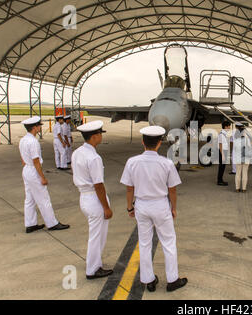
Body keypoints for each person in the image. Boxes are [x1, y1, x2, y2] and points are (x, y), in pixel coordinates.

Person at [120, 126, 187, 292]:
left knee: (144, 243)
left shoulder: (132, 162)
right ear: (159, 143)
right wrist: (174, 208)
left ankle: (148, 280)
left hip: (141, 205)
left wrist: (130, 207)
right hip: (160, 205)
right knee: (168, 242)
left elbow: (129, 188)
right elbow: (172, 189)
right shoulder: (167, 163)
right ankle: (172, 280)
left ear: (143, 142)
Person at [71, 120, 113, 280]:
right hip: (94, 200)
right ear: (94, 136)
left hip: (84, 196)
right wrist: (106, 207)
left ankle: (95, 264)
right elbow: (99, 185)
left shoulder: (77, 152)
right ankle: (93, 269)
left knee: (95, 234)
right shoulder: (94, 157)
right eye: (100, 134)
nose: (101, 137)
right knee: (97, 236)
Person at [19, 116, 70, 233]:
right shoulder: (33, 142)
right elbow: (36, 161)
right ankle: (52, 223)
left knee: (29, 199)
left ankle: (30, 224)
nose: (40, 128)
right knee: (44, 198)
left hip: (26, 169)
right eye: (39, 126)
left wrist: (28, 167)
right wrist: (42, 177)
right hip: (33, 170)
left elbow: (23, 159)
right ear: (34, 128)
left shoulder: (23, 140)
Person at [233, 123, 252, 192]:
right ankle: (244, 189)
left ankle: (237, 188)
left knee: (238, 173)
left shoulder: (236, 139)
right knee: (245, 173)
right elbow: (250, 148)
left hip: (238, 158)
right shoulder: (247, 139)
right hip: (246, 158)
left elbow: (235, 149)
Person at [217, 121, 230, 186]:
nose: (229, 127)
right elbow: (220, 145)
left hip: (224, 152)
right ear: (225, 126)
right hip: (222, 152)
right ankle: (219, 181)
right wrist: (223, 155)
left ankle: (221, 179)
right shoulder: (221, 134)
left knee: (223, 167)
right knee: (221, 167)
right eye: (228, 126)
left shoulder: (224, 134)